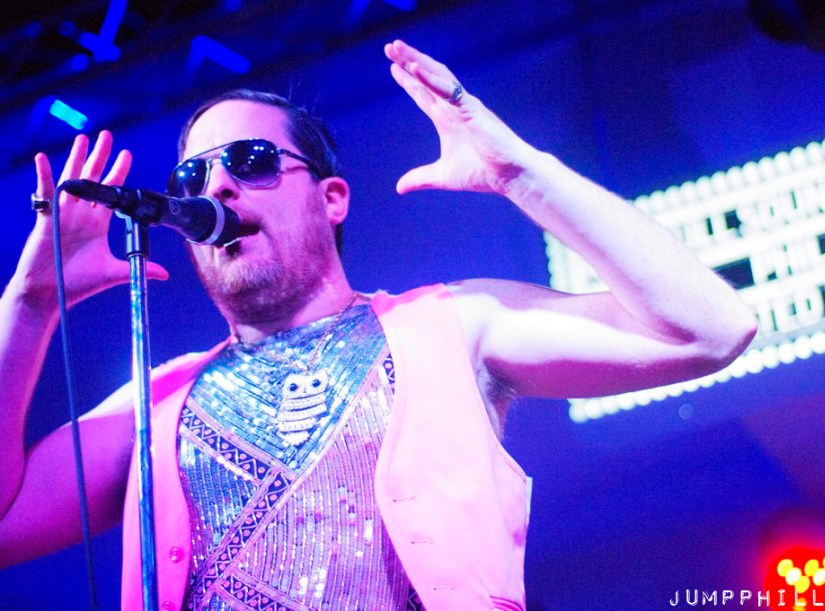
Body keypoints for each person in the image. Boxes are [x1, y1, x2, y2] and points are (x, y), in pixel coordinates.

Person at [0, 40, 756, 610]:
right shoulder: (157, 403)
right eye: (193, 177)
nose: (218, 185)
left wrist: (519, 172)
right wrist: (30, 305)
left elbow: (707, 330)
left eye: (252, 160)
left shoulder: (449, 325)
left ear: (331, 198)